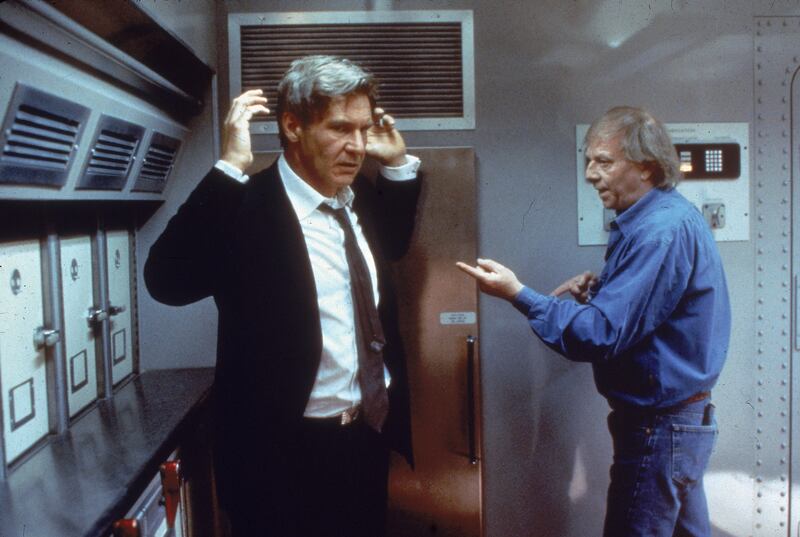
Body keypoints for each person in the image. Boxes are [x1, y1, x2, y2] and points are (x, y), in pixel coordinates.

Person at [144, 55, 421, 537]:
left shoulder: (357, 203)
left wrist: (396, 164)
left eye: (362, 130)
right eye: (339, 129)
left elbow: (393, 244)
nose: (356, 147)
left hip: (363, 443)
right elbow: (165, 281)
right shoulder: (246, 208)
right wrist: (230, 167)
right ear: (292, 126)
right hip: (278, 462)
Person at [457, 106, 730, 537]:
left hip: (659, 429)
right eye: (589, 160)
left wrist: (518, 294)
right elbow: (653, 311)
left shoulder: (659, 231)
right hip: (676, 425)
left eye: (603, 161)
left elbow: (600, 334)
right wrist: (604, 290)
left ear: (646, 167)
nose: (589, 174)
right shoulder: (665, 219)